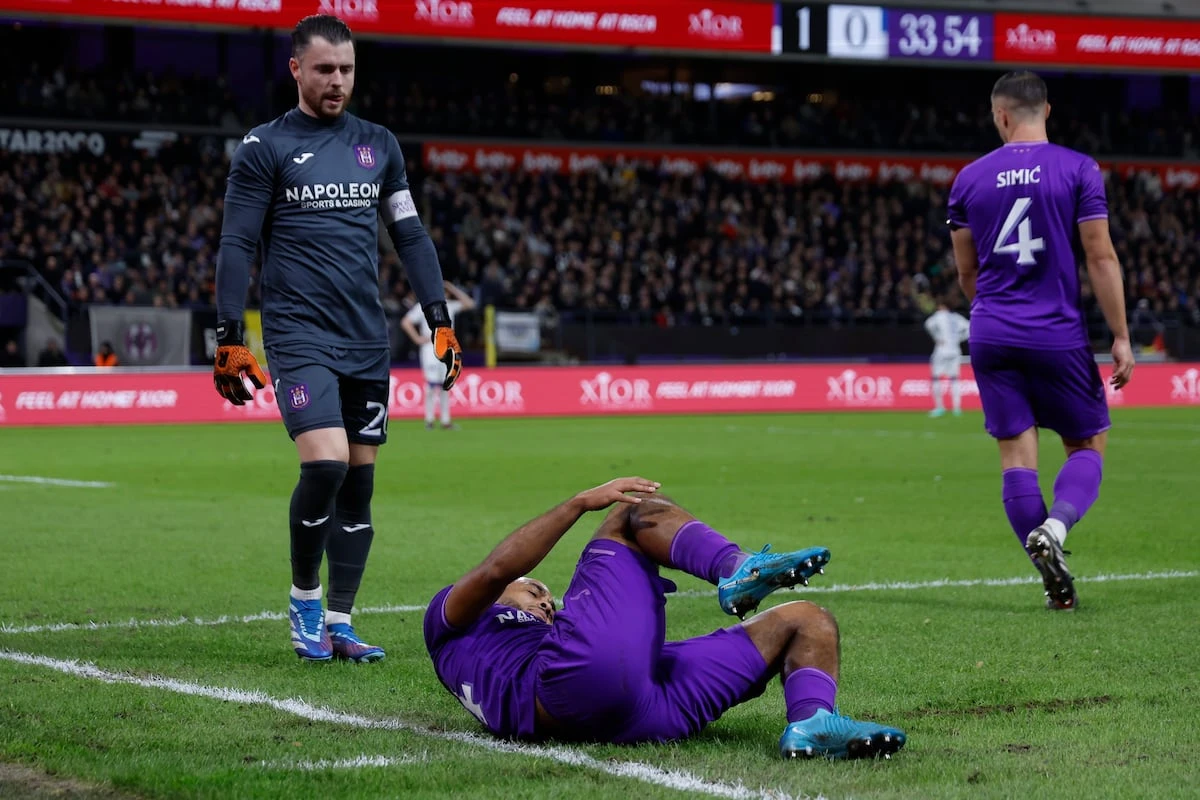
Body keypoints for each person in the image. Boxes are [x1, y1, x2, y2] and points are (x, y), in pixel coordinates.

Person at [213, 14, 463, 663]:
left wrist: (440, 318)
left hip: (365, 337)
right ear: (295, 69)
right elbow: (238, 241)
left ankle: (342, 621)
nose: (337, 82)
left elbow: (409, 235)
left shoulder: (378, 144)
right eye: (325, 69)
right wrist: (229, 334)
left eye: (347, 70)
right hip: (298, 334)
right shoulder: (265, 147)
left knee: (359, 485)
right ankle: (303, 601)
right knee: (324, 463)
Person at [423, 478, 907, 760]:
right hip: (567, 685)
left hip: (639, 711)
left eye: (546, 598)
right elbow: (498, 569)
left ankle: (813, 724)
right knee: (631, 516)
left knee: (808, 620)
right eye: (535, 591)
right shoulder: (450, 622)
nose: (546, 601)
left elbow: (514, 581)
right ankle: (734, 568)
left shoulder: (501, 645)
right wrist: (578, 503)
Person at [946, 71, 1134, 610]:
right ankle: (1056, 526)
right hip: (1055, 332)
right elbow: (1099, 256)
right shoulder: (1078, 168)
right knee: (1085, 444)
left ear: (1000, 115)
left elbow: (967, 273)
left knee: (1015, 456)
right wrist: (1121, 336)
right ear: (1046, 111)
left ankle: (1049, 577)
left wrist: (995, 313)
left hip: (991, 330)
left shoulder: (969, 179)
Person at [401, 281, 475, 430]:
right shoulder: (423, 306)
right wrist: (417, 339)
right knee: (431, 385)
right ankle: (429, 419)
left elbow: (470, 304)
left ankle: (445, 421)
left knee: (445, 384)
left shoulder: (449, 305)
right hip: (430, 347)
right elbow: (406, 322)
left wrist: (453, 289)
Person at [923, 298, 970, 417]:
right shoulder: (957, 317)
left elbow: (928, 324)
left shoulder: (939, 315)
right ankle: (957, 408)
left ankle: (939, 407)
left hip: (941, 351)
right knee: (954, 379)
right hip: (954, 350)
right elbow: (969, 329)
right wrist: (958, 339)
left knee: (936, 378)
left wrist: (936, 337)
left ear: (942, 306)